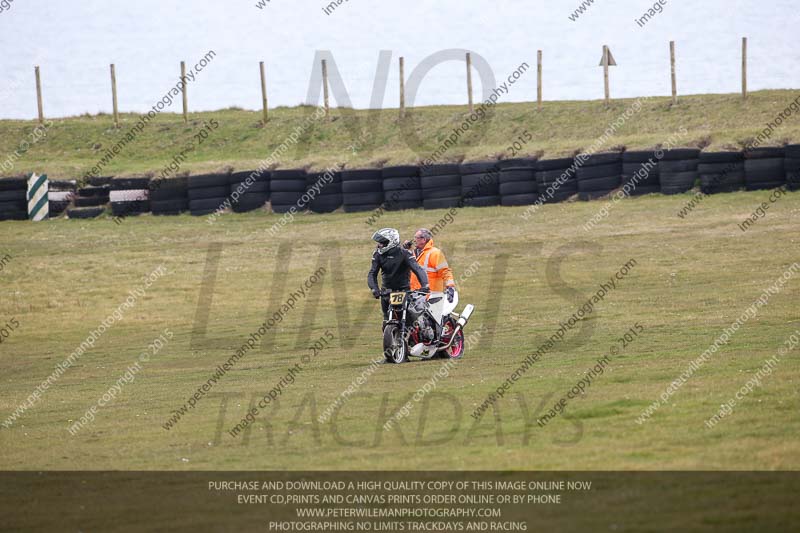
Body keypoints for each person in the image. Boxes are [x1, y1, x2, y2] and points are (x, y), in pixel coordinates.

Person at [367, 228, 429, 321]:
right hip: (386, 293)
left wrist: (425, 285)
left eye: (382, 243)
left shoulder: (405, 253)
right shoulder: (378, 255)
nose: (379, 245)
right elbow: (372, 273)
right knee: (386, 321)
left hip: (404, 291)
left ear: (391, 242)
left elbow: (417, 269)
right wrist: (374, 289)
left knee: (410, 320)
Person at [406, 228, 456, 326]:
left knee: (430, 324)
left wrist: (450, 286)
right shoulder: (411, 254)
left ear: (423, 239)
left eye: (416, 238)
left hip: (431, 295)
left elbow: (445, 271)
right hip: (414, 295)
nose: (414, 240)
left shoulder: (435, 253)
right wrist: (404, 250)